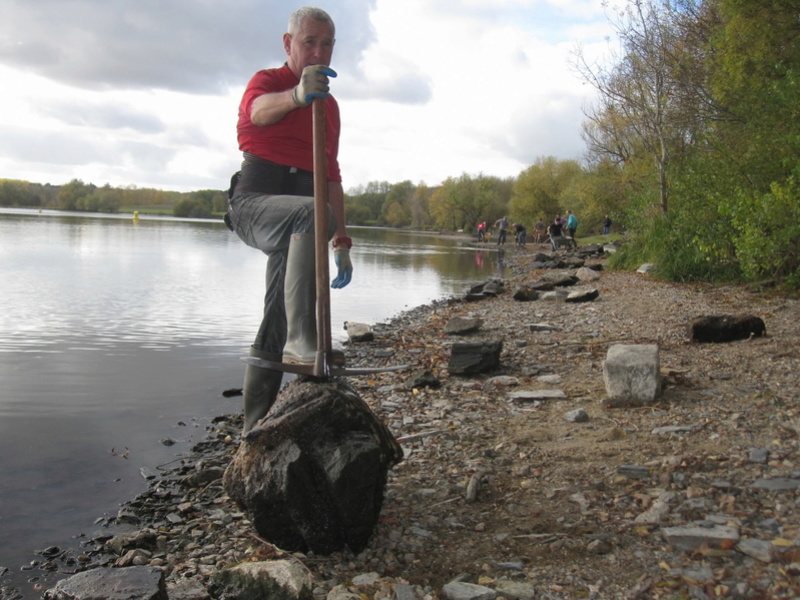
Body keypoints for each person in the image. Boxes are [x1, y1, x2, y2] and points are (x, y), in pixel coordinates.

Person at [225, 7, 352, 433]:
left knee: (274, 313)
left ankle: (254, 427)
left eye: (327, 43)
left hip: (306, 221)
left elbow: (331, 176)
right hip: (255, 205)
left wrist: (343, 243)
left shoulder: (330, 108)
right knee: (312, 212)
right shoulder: (269, 82)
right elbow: (259, 111)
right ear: (288, 44)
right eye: (309, 42)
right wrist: (298, 95)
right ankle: (304, 340)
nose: (319, 51)